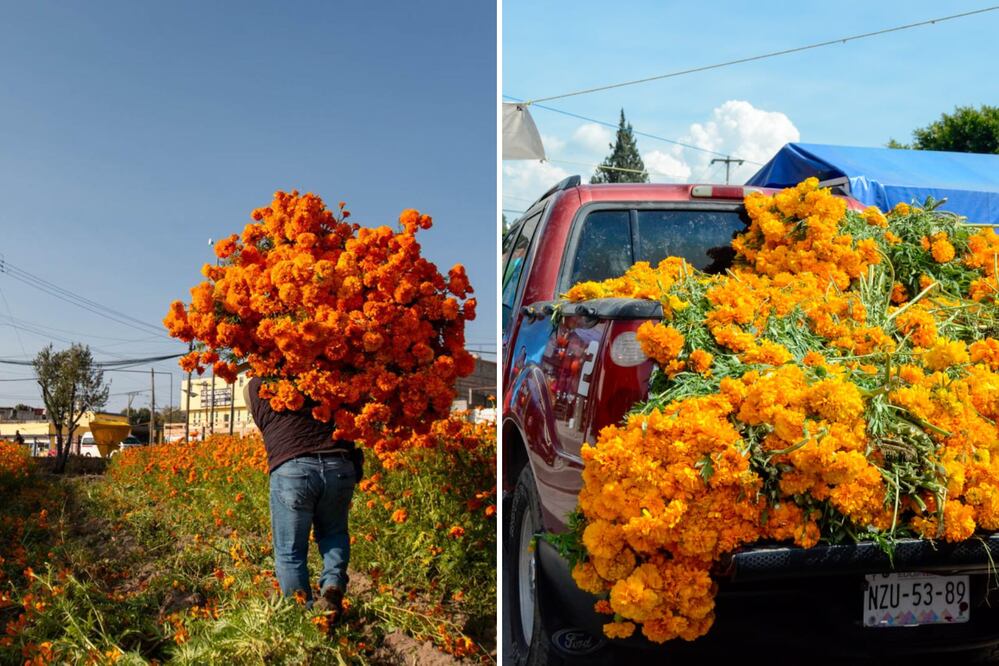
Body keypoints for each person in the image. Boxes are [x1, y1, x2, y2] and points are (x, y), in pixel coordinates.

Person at [243, 376, 357, 615]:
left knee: (290, 550)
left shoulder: (254, 387)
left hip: (293, 469)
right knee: (334, 533)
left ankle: (303, 616)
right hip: (339, 464)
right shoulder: (327, 374)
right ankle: (333, 585)